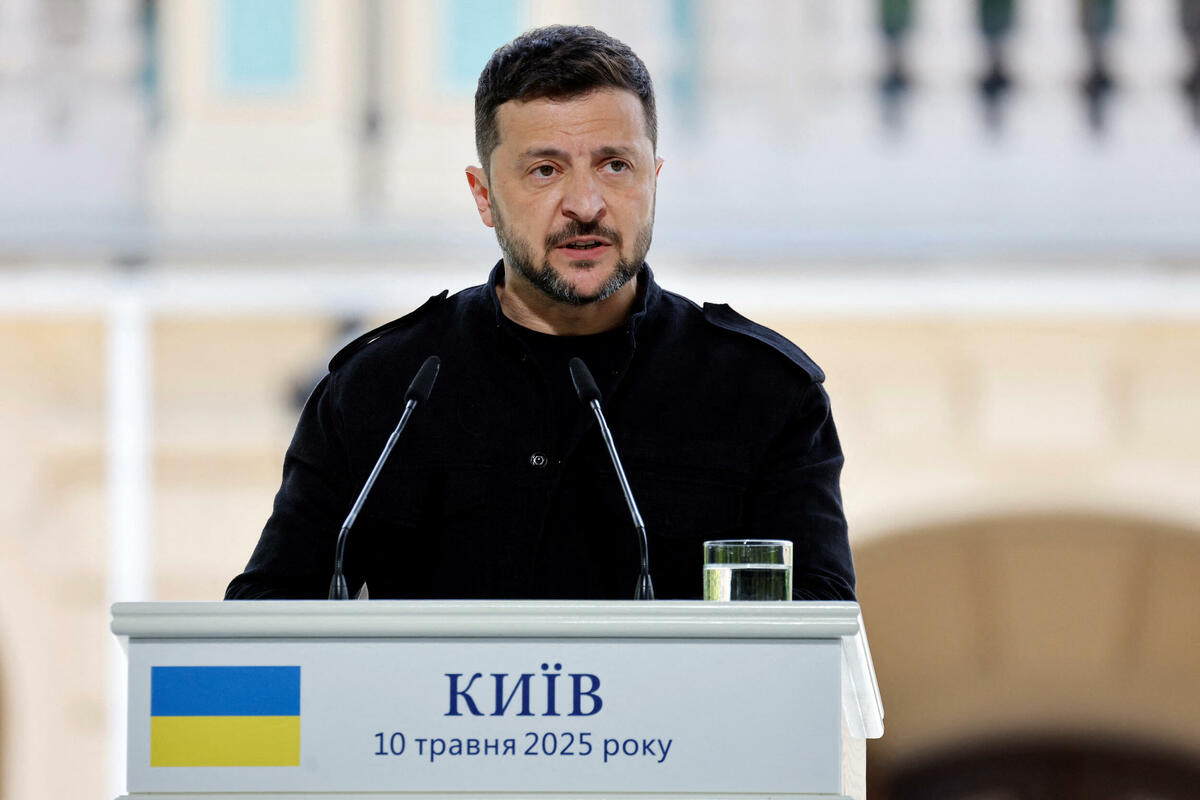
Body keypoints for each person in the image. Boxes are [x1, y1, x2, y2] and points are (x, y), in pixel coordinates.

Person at [226, 25, 855, 602]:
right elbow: (265, 622)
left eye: (615, 165)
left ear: (654, 180)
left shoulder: (765, 392)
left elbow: (820, 636)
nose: (585, 204)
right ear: (484, 196)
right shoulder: (383, 390)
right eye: (545, 170)